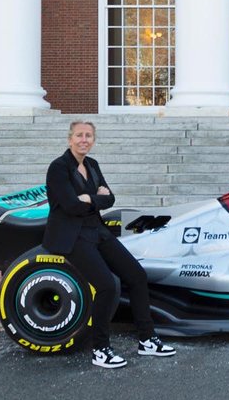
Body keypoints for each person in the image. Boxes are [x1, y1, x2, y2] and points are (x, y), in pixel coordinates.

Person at [43, 119, 176, 369]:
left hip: (96, 230)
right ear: (70, 138)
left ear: (93, 140)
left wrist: (88, 198)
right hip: (72, 236)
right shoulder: (58, 168)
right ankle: (100, 349)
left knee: (136, 275)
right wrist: (96, 198)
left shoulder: (92, 165)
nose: (84, 140)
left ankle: (147, 339)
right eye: (80, 135)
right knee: (106, 286)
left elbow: (110, 198)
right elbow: (71, 205)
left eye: (89, 136)